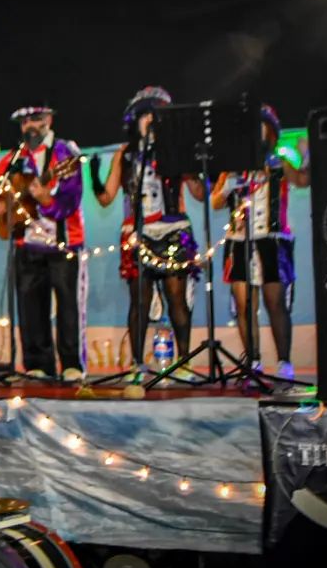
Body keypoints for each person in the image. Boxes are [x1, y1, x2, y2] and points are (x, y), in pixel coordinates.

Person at [93, 86, 205, 385]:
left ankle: (183, 361)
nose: (150, 119)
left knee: (177, 299)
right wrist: (93, 178)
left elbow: (200, 194)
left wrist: (197, 166)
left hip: (173, 231)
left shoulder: (177, 149)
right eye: (144, 114)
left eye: (155, 114)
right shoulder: (125, 154)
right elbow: (106, 198)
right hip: (137, 234)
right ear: (135, 120)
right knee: (138, 301)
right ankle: (138, 364)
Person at [0, 102, 86, 382]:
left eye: (37, 119)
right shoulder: (15, 157)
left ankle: (71, 364)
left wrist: (45, 199)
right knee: (30, 306)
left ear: (49, 120)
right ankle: (37, 363)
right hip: (26, 244)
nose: (31, 126)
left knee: (67, 306)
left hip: (61, 243)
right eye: (26, 122)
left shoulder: (65, 153)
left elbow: (71, 199)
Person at [211, 103, 309, 382]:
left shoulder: (279, 162)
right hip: (239, 239)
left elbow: (303, 180)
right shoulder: (232, 167)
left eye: (261, 127)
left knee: (275, 302)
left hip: (272, 240)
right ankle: (252, 362)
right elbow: (216, 201)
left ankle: (284, 363)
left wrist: (308, 154)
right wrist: (229, 183)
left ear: (271, 133)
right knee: (244, 305)